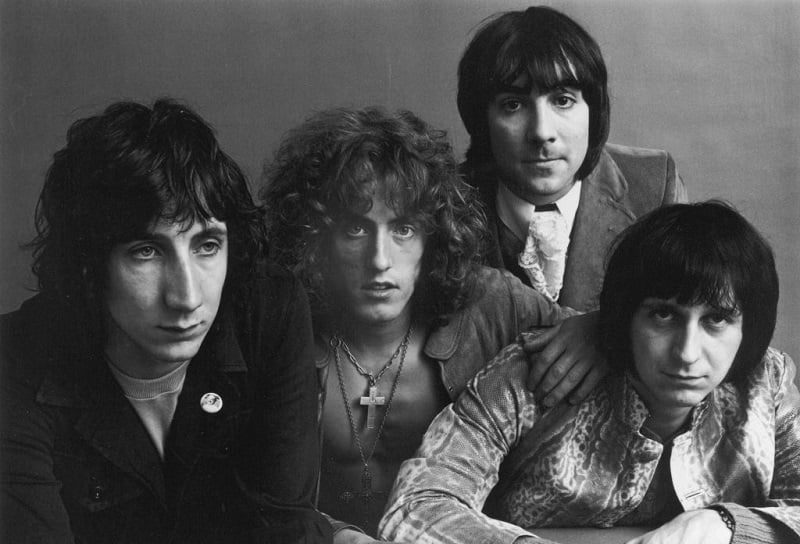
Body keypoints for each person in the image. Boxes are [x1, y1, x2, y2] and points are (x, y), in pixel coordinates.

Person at [260, 106, 607, 543]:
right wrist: (335, 535)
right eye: (355, 230)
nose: (380, 260)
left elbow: (632, 347)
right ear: (316, 237)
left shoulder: (489, 304)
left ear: (434, 235)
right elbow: (246, 491)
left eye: (403, 229)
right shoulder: (277, 322)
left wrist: (598, 329)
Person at [0, 99, 331, 543]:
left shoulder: (269, 308)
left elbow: (288, 525)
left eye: (207, 246)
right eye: (146, 252)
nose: (187, 298)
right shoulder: (14, 360)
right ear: (88, 266)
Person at [380, 201, 800, 544]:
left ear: (748, 327)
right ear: (625, 315)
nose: (687, 353)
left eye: (716, 321)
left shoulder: (768, 385)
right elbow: (416, 507)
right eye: (663, 315)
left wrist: (724, 524)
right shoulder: (530, 375)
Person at [457, 5, 688, 312]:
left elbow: (686, 319)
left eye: (563, 100)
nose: (542, 132)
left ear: (594, 111)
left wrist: (591, 329)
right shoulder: (443, 201)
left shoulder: (655, 187)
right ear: (481, 119)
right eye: (513, 105)